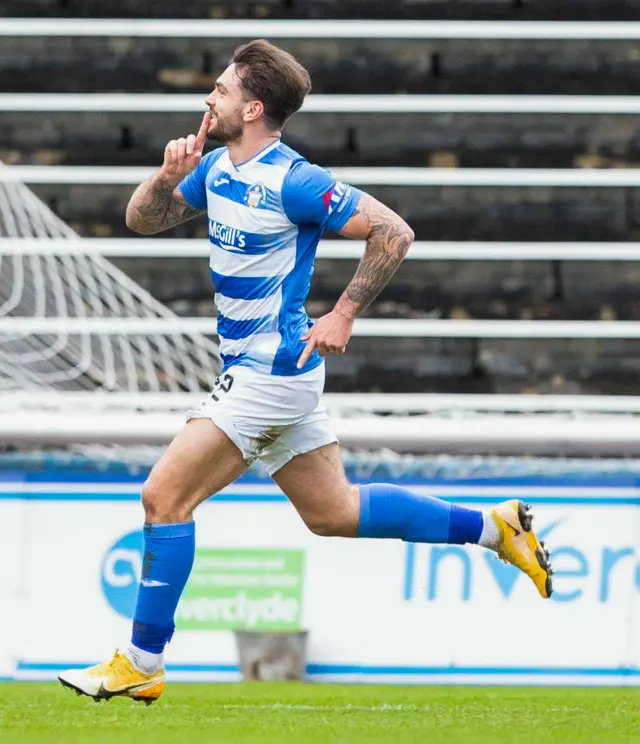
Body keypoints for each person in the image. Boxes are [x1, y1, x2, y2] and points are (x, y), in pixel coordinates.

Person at [59, 39, 553, 704]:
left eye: (224, 90)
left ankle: (143, 662)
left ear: (253, 107)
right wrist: (166, 175)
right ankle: (497, 530)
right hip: (267, 372)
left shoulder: (293, 179)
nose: (211, 98)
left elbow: (394, 232)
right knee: (333, 512)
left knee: (162, 498)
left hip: (271, 374)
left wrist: (345, 312)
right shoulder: (216, 169)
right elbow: (141, 219)